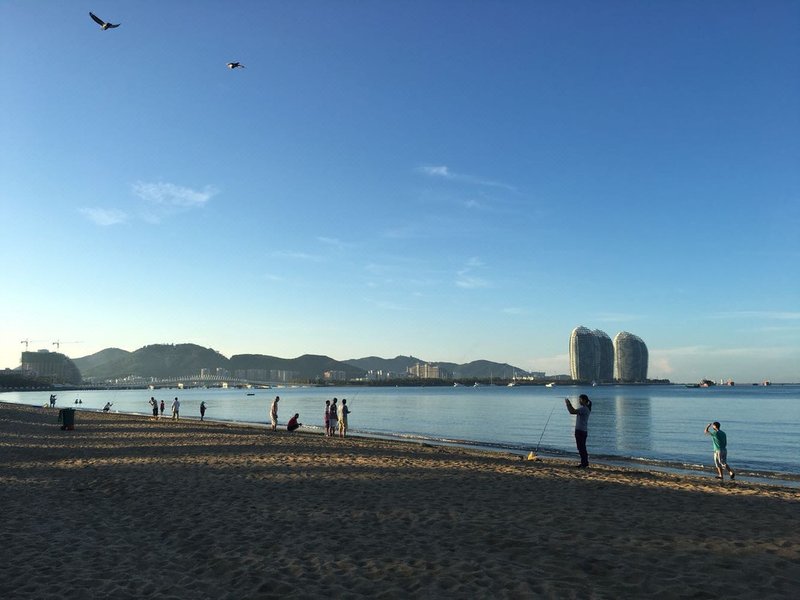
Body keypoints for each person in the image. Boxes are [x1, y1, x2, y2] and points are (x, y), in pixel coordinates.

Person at [565, 394, 592, 468]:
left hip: (580, 431)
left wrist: (568, 403)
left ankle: (584, 463)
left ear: (584, 400)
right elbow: (573, 411)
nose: (579, 401)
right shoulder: (586, 408)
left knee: (581, 448)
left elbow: (572, 411)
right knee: (581, 448)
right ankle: (584, 463)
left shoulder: (584, 409)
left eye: (580, 400)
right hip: (582, 431)